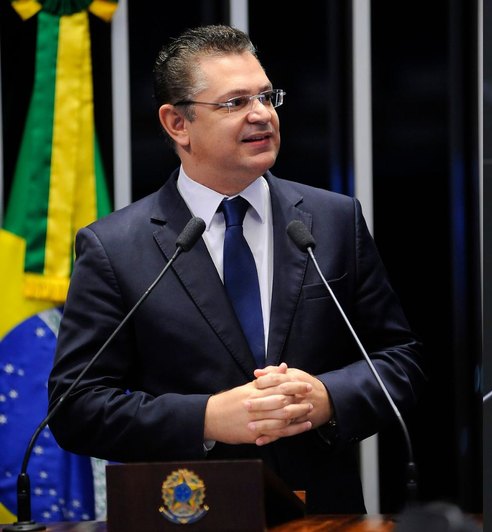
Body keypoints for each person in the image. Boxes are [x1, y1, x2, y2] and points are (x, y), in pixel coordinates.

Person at [47, 25, 425, 514]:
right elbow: (75, 408)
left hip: (323, 515)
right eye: (235, 102)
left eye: (267, 97)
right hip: (189, 513)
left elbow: (401, 361)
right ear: (177, 123)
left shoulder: (332, 221)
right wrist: (206, 417)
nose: (262, 114)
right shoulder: (115, 248)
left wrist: (327, 397)